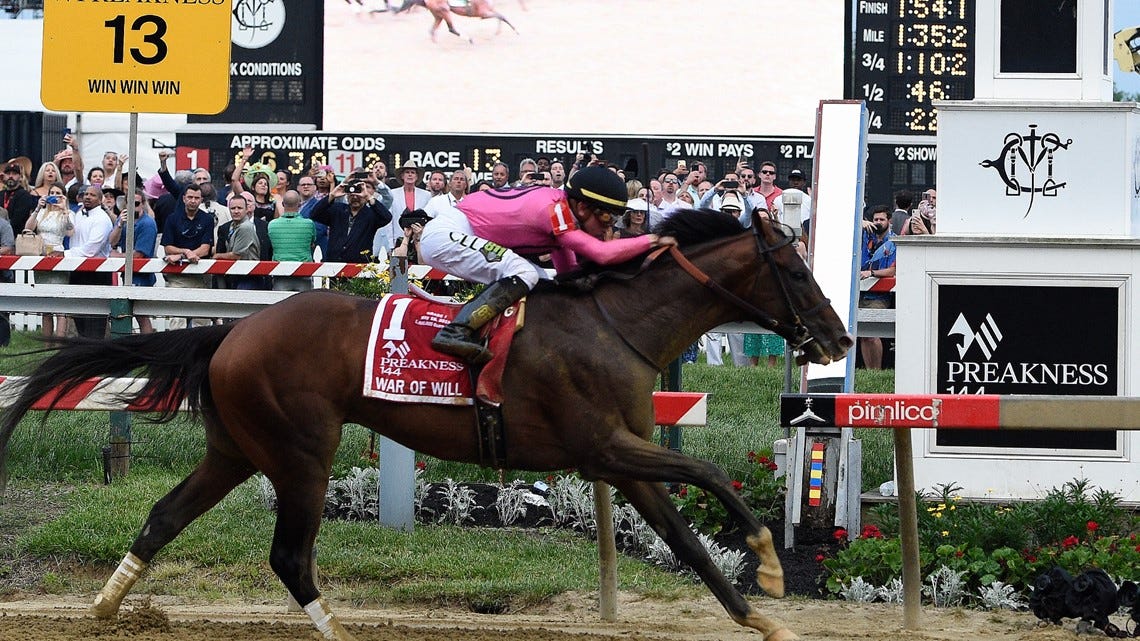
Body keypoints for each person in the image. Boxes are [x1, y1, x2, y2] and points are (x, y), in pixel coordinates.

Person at [419, 166, 677, 364]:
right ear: (583, 207)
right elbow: (601, 254)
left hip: (462, 232)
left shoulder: (563, 213)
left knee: (542, 279)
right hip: (448, 232)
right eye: (607, 217)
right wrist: (652, 240)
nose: (609, 227)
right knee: (524, 272)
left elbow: (567, 276)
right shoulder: (555, 210)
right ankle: (454, 332)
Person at [161, 184, 215, 328]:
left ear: (201, 200)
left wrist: (183, 255)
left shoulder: (207, 219)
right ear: (184, 198)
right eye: (190, 197)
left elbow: (205, 249)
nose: (193, 201)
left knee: (202, 321)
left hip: (200, 276)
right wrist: (185, 252)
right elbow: (167, 247)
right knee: (177, 320)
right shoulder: (172, 219)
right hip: (177, 277)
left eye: (196, 198)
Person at [24, 182, 73, 337]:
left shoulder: (67, 213)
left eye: (58, 193)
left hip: (58, 255)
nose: (55, 196)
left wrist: (64, 209)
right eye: (52, 193)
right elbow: (28, 228)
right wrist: (38, 207)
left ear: (64, 196)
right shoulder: (42, 212)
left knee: (60, 306)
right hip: (41, 256)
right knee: (46, 307)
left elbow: (71, 231)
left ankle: (59, 342)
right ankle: (47, 344)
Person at [67, 185, 114, 338]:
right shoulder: (78, 215)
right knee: (79, 316)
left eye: (92, 195)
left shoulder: (102, 219)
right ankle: (83, 348)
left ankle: (96, 350)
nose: (87, 197)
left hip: (96, 273)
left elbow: (91, 250)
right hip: (77, 270)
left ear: (100, 200)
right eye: (86, 194)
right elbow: (70, 235)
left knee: (95, 320)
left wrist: (65, 254)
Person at [310, 179, 393, 263]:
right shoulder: (338, 210)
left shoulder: (371, 214)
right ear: (347, 195)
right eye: (352, 195)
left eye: (359, 195)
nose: (355, 198)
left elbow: (387, 218)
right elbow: (314, 214)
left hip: (359, 264)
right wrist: (332, 195)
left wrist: (368, 196)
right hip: (334, 263)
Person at [109, 194, 157, 333]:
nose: (133, 207)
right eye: (129, 203)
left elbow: (139, 254)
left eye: (136, 203)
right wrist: (119, 225)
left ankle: (146, 342)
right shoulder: (123, 219)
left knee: (141, 315)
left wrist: (117, 256)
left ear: (143, 204)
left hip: (141, 274)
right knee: (127, 311)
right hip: (126, 272)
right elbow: (111, 242)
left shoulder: (147, 224)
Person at [858, 205, 897, 370]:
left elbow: (893, 270)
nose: (878, 222)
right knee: (863, 334)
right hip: (860, 294)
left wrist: (872, 273)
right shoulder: (865, 236)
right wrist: (859, 223)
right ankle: (869, 371)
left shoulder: (894, 242)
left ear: (889, 221)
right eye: (875, 219)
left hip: (879, 296)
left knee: (872, 333)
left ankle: (876, 370)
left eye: (882, 219)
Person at [268, 190, 317, 292]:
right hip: (304, 272)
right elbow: (312, 242)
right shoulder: (308, 224)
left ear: (283, 204)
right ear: (299, 204)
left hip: (281, 273)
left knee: (280, 301)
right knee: (304, 301)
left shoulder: (272, 225)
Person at [213, 195, 262, 290]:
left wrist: (217, 256)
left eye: (239, 208)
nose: (236, 211)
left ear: (246, 209)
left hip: (248, 276)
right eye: (233, 208)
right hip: (236, 274)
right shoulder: (232, 225)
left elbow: (236, 255)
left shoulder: (245, 227)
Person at [2, 161, 39, 234]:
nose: (10, 176)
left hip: (16, 234)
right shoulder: (1, 194)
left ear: (20, 177)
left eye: (14, 174)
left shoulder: (24, 195)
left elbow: (17, 220)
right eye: (8, 173)